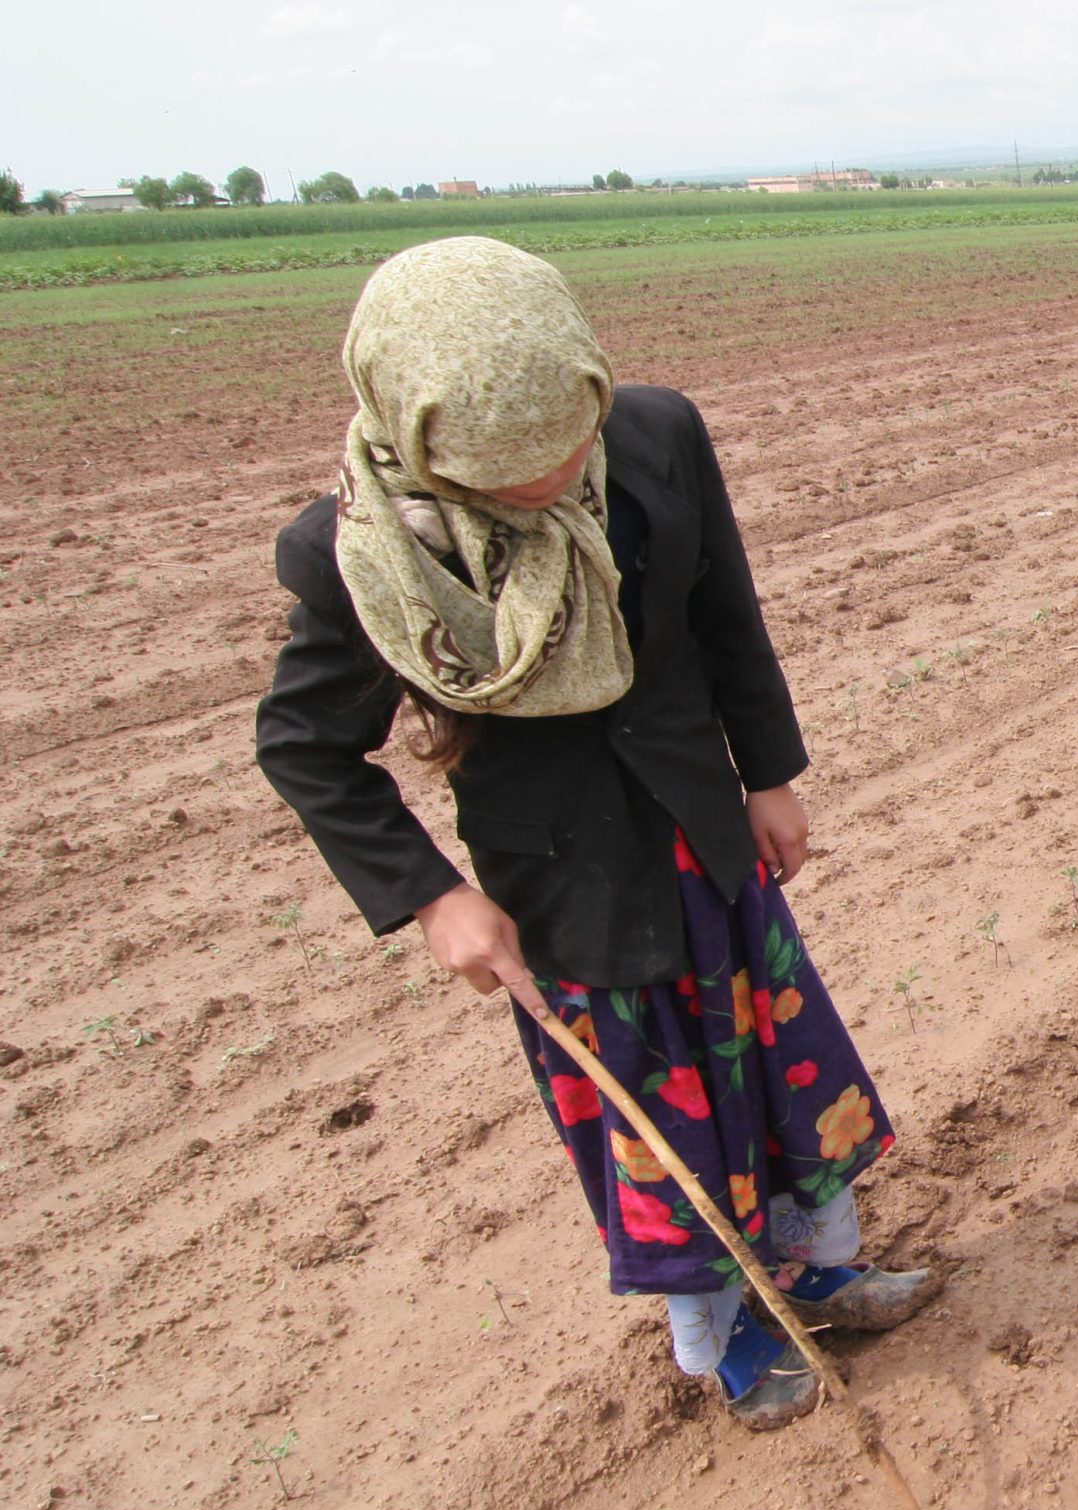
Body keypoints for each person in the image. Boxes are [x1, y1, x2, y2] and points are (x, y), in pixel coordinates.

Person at [256, 237, 937, 1431]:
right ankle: (726, 1337)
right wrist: (432, 897)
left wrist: (768, 774)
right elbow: (308, 748)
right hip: (564, 894)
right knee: (660, 1118)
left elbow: (725, 606)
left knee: (771, 1070)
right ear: (421, 445)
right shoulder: (361, 555)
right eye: (506, 474)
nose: (550, 480)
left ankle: (817, 1270)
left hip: (702, 840)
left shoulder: (657, 433)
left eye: (567, 447)